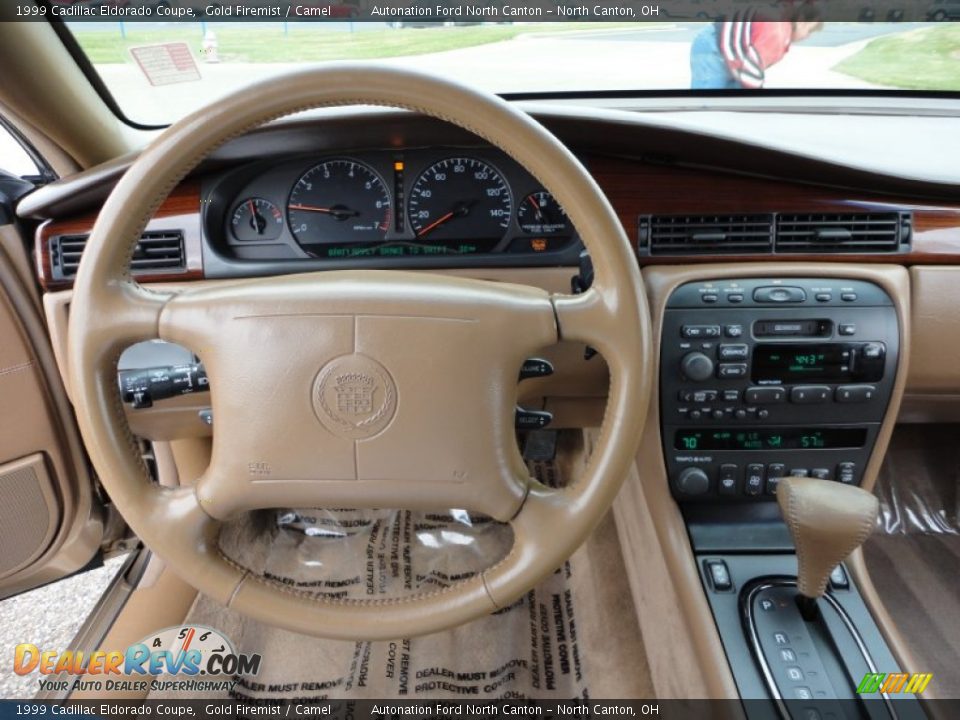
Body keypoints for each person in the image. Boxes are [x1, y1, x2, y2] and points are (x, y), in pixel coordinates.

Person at [690, 8, 824, 89]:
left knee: (721, 106)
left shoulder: (781, 30)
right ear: (801, 22)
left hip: (721, 48)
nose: (807, 37)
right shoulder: (778, 32)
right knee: (707, 105)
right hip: (714, 48)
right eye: (809, 31)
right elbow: (751, 71)